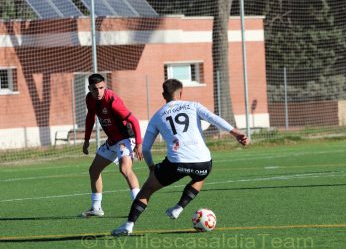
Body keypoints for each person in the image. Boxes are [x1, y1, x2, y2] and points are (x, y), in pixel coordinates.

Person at [111, 78, 249, 235]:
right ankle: (179, 207)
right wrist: (235, 132)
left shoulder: (157, 117)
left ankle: (129, 225)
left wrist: (151, 168)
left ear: (164, 94)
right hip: (203, 162)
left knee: (147, 190)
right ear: (181, 92)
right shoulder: (193, 105)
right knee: (199, 177)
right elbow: (213, 118)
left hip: (176, 163)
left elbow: (146, 148)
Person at [80, 73, 143, 217]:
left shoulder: (113, 101)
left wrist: (139, 144)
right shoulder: (90, 99)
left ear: (105, 86)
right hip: (112, 140)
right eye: (95, 89)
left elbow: (134, 120)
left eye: (101, 88)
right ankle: (96, 208)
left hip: (126, 138)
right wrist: (86, 140)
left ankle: (139, 204)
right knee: (94, 170)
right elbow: (90, 118)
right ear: (89, 88)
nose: (99, 92)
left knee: (125, 169)